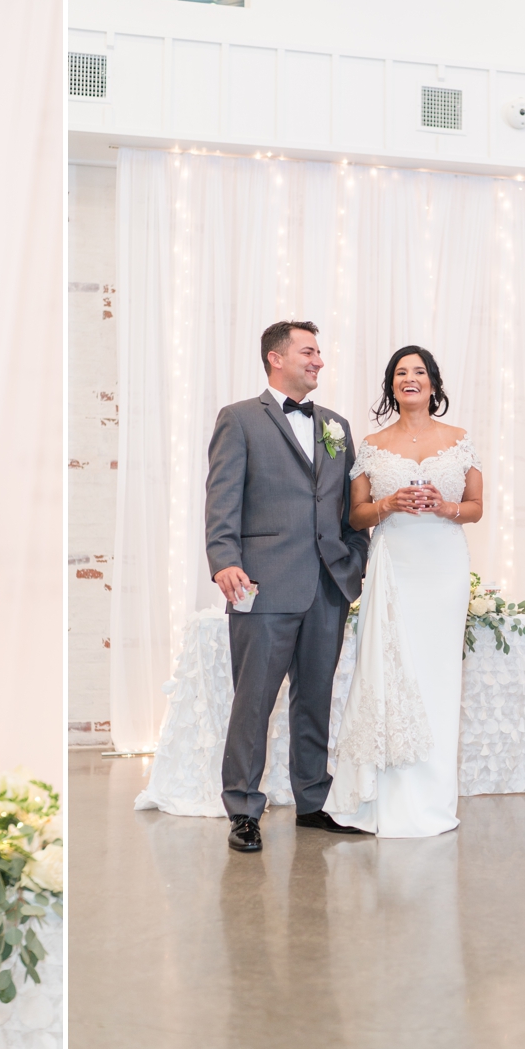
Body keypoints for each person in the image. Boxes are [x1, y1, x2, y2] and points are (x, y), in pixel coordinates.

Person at [205, 320, 370, 853]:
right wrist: (224, 561)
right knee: (253, 701)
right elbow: (222, 497)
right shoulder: (238, 419)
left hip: (327, 585)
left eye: (319, 352)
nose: (318, 360)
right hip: (262, 584)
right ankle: (243, 809)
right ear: (276, 358)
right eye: (308, 351)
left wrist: (355, 558)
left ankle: (313, 801)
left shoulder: (336, 425)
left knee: (315, 698)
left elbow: (349, 507)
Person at [323, 346, 483, 837]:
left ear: (433, 384)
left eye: (418, 372)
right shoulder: (372, 445)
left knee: (438, 677)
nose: (409, 378)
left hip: (444, 568)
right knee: (389, 671)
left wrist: (446, 507)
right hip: (395, 567)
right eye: (399, 373)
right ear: (392, 386)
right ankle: (383, 796)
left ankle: (432, 798)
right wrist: (389, 503)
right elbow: (355, 516)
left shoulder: (460, 440)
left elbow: (476, 507)